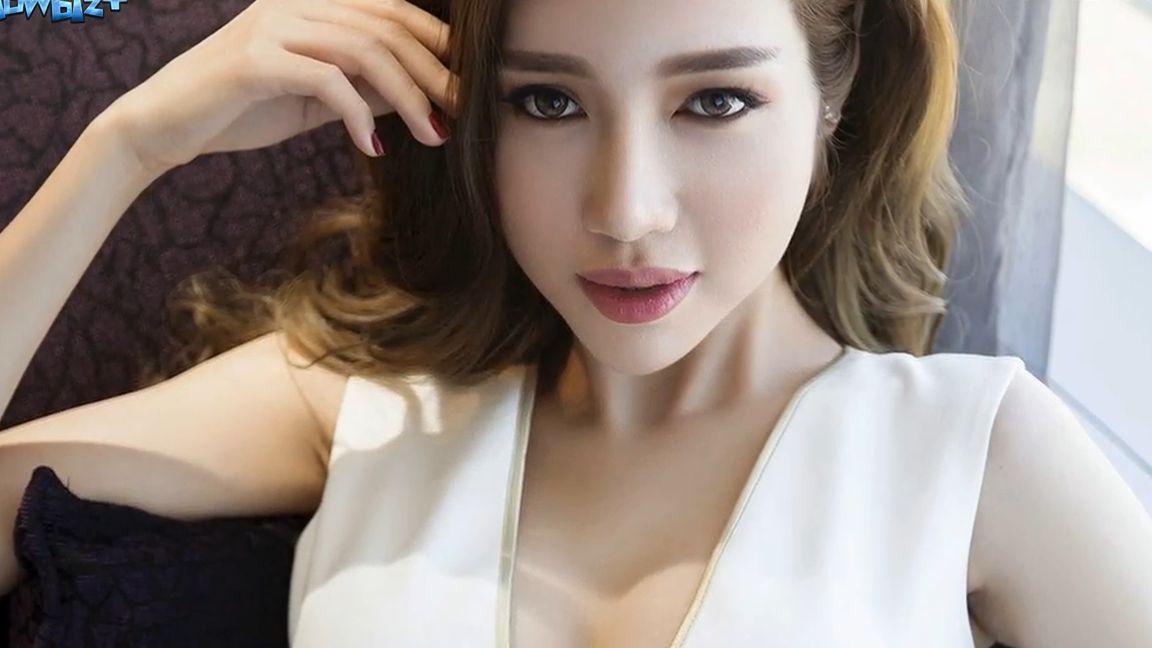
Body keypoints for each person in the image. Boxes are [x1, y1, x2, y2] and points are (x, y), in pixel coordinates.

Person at [1, 0, 1150, 645]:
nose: (626, 209)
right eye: (548, 102)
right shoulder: (359, 403)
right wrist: (128, 148)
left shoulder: (978, 452)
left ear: (832, 102)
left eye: (715, 101)